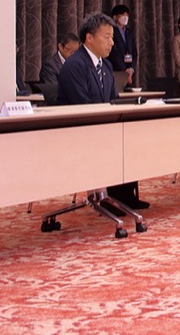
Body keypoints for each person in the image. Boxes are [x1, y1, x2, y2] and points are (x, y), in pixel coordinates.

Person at [58, 12, 150, 212]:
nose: (112, 43)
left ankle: (126, 196)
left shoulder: (106, 65)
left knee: (131, 136)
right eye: (107, 37)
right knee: (114, 140)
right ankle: (111, 198)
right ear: (89, 38)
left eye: (112, 37)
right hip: (80, 130)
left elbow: (113, 100)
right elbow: (82, 106)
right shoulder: (75, 65)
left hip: (102, 126)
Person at [107, 4, 136, 91]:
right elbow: (113, 53)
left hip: (129, 69)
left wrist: (131, 69)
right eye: (122, 15)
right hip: (116, 69)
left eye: (127, 15)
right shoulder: (111, 31)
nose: (125, 17)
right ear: (115, 17)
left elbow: (134, 52)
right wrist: (124, 70)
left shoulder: (129, 32)